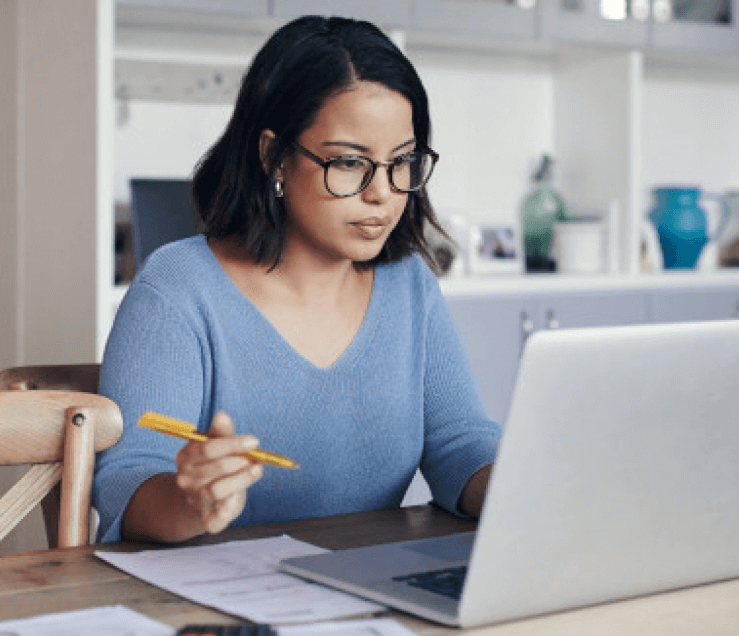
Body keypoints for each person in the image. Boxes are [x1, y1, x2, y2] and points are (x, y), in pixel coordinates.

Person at [93, 15, 501, 544]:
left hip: (366, 594)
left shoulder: (408, 285)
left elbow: (459, 445)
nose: (382, 193)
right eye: (350, 163)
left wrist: (528, 489)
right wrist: (188, 500)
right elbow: (127, 482)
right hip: (213, 609)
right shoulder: (178, 289)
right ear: (275, 156)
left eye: (402, 162)